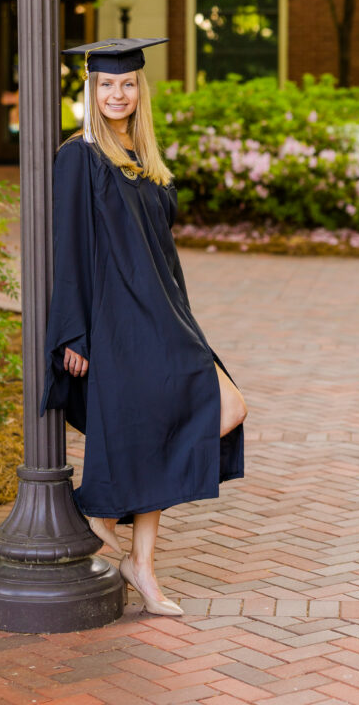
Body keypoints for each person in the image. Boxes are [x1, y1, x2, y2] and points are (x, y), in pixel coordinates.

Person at [42, 37, 247, 617]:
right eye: (106, 84)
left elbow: (165, 257)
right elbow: (70, 251)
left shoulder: (147, 160)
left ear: (140, 90)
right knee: (152, 432)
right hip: (116, 322)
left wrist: (185, 319)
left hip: (165, 316)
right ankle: (120, 537)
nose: (117, 93)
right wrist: (73, 334)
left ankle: (129, 547)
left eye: (127, 83)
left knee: (228, 407)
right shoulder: (78, 158)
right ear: (90, 89)